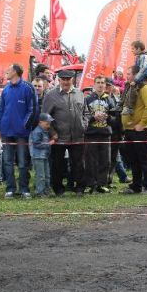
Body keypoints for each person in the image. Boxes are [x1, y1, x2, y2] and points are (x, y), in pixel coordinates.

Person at [42, 68, 85, 197]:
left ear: (73, 80)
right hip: (59, 137)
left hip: (77, 135)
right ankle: (58, 189)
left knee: (78, 163)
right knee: (58, 165)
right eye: (63, 79)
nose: (66, 82)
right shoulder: (50, 95)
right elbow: (45, 117)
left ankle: (79, 188)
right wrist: (52, 132)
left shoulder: (79, 93)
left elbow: (85, 112)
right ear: (59, 80)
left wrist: (84, 125)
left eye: (68, 79)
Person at [0, 64, 37, 199]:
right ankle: (10, 189)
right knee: (7, 161)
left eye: (8, 70)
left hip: (21, 133)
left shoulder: (27, 88)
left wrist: (24, 126)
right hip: (7, 132)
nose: (6, 72)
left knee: (22, 162)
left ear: (15, 72)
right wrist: (0, 128)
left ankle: (24, 188)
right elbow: (1, 110)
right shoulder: (6, 89)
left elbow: (32, 109)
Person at [120, 64, 147, 194]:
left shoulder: (144, 87)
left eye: (129, 73)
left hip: (141, 131)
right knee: (134, 160)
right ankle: (136, 185)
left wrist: (142, 123)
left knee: (145, 159)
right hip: (130, 130)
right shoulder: (130, 87)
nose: (126, 76)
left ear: (136, 75)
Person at [83, 75, 114, 193]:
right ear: (94, 84)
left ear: (105, 85)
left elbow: (115, 118)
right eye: (98, 82)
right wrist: (93, 117)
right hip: (91, 133)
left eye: (102, 82)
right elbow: (84, 116)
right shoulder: (88, 99)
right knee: (90, 160)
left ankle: (102, 184)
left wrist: (108, 117)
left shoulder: (109, 100)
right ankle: (90, 184)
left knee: (105, 160)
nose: (101, 85)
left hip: (105, 134)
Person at [121, 40, 147, 116]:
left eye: (133, 48)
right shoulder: (138, 57)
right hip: (141, 77)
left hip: (146, 78)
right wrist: (130, 79)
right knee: (127, 84)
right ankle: (121, 104)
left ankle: (130, 108)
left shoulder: (145, 57)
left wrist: (135, 80)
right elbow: (135, 69)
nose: (131, 50)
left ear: (138, 49)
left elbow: (143, 69)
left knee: (132, 86)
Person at [29, 113, 53, 197]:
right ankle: (39, 192)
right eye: (47, 123)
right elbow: (36, 144)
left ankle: (46, 190)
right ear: (40, 122)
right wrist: (49, 143)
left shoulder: (44, 131)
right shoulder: (37, 131)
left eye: (49, 123)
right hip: (38, 156)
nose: (49, 125)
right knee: (40, 175)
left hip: (44, 156)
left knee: (47, 174)